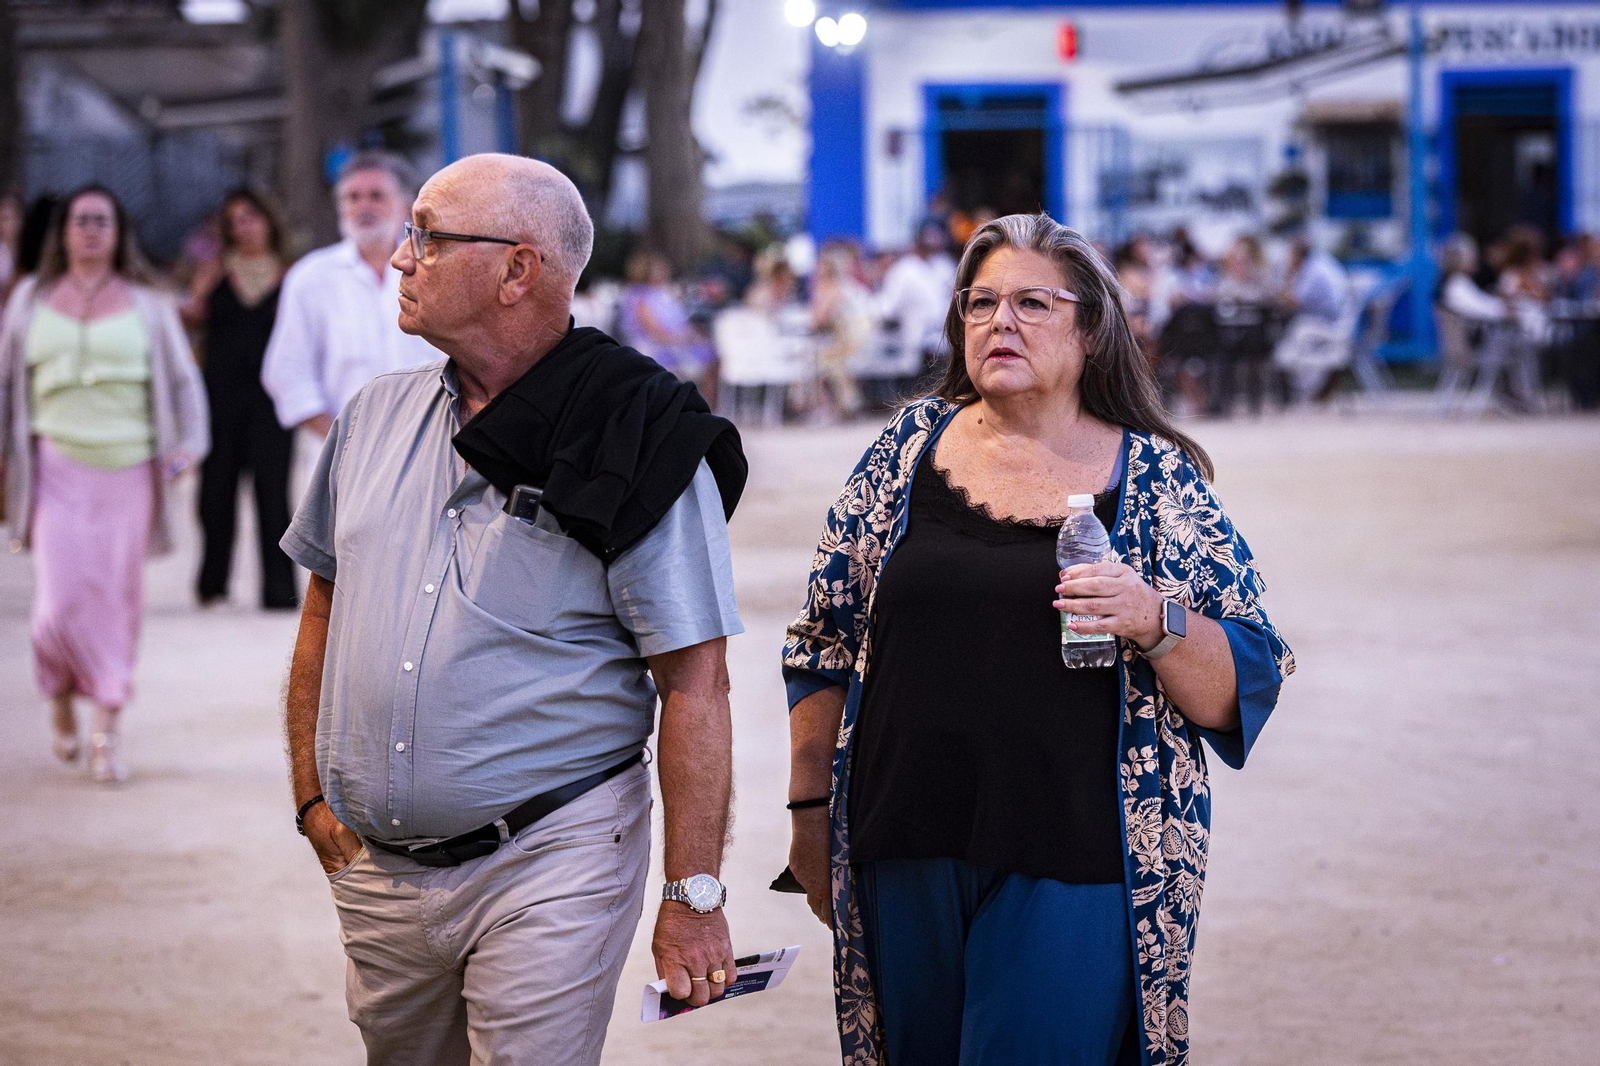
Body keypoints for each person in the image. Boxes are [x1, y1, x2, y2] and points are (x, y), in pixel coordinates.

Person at [782, 212, 1294, 1066]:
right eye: (979, 305)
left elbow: (1241, 684)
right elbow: (822, 645)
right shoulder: (903, 454)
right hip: (900, 834)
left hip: (1081, 850)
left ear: (1091, 329)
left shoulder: (1156, 480)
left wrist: (1152, 617)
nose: (999, 324)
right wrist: (808, 816)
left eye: (1031, 304)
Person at [281, 153, 747, 1066]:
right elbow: (323, 613)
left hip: (553, 854)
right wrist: (311, 800)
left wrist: (694, 897)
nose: (399, 259)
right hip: (378, 871)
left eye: (428, 236)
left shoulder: (641, 435)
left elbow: (696, 680)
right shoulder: (372, 417)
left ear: (516, 270)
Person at [0, 184, 209, 783]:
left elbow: (181, 383)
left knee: (117, 604)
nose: (91, 230)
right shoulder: (28, 299)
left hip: (129, 470)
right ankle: (61, 694)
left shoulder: (147, 300)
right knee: (57, 605)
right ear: (62, 231)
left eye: (103, 220)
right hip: (53, 468)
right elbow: (6, 384)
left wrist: (189, 443)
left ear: (118, 233)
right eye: (80, 220)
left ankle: (106, 733)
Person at [260, 150, 437, 439]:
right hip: (340, 453)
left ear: (406, 206)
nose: (364, 206)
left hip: (431, 445)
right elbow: (286, 371)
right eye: (353, 197)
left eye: (376, 196)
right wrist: (341, 438)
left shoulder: (434, 270)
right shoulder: (310, 277)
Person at [180, 189, 297, 609]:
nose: (243, 226)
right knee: (215, 493)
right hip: (220, 398)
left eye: (250, 216)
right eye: (234, 220)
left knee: (272, 494)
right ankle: (212, 585)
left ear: (267, 219)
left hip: (271, 401)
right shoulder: (214, 271)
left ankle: (279, 591)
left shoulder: (290, 274)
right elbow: (190, 316)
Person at [1272, 235, 1352, 402]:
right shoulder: (1320, 261)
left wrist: (1287, 275)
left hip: (1331, 324)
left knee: (1290, 341)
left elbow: (1292, 301)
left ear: (1297, 254)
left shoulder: (1312, 270)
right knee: (1295, 331)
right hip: (1334, 320)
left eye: (1289, 255)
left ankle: (1301, 391)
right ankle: (1309, 390)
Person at [879, 221, 958, 387]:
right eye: (929, 236)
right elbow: (888, 310)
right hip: (916, 340)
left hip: (948, 336)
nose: (933, 241)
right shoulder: (903, 269)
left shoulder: (944, 265)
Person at [617, 248, 710, 382]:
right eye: (659, 269)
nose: (665, 271)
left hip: (674, 343)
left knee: (714, 352)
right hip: (653, 349)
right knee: (710, 360)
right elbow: (655, 333)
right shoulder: (640, 296)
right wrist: (687, 339)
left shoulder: (661, 293)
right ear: (646, 271)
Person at [809, 244, 873, 420]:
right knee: (820, 358)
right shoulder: (832, 288)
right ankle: (838, 406)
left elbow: (818, 320)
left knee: (819, 360)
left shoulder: (836, 288)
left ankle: (829, 408)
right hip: (842, 342)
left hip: (850, 344)